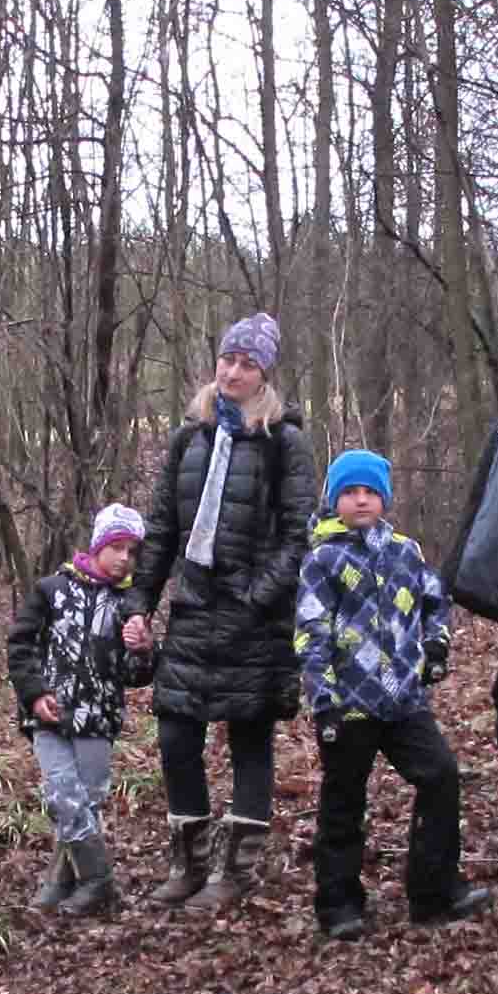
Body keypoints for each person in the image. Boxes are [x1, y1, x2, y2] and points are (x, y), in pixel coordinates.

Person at [134, 312, 320, 916]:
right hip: (192, 610)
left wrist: (256, 598)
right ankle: (186, 862)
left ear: (265, 373)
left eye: (248, 363)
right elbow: (161, 527)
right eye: (228, 359)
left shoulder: (284, 440)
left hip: (253, 618)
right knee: (176, 737)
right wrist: (141, 600)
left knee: (249, 739)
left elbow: (299, 535)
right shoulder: (188, 437)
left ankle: (235, 870)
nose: (235, 371)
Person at [295, 450, 494, 940]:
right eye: (349, 492)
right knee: (343, 801)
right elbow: (310, 632)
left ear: (384, 499)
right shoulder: (323, 558)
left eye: (369, 492)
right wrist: (323, 698)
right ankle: (339, 904)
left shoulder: (405, 551)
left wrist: (436, 647)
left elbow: (433, 605)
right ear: (334, 499)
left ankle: (435, 889)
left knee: (441, 776)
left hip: (404, 700)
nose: (360, 501)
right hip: (348, 706)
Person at [6, 501, 157, 919]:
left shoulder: (129, 604)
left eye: (132, 551)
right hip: (49, 716)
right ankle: (98, 879)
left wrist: (143, 649)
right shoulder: (51, 590)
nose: (124, 558)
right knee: (62, 795)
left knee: (85, 802)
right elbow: (20, 646)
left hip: (98, 719)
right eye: (117, 547)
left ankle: (59, 882)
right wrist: (35, 694)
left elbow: (135, 674)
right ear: (97, 546)